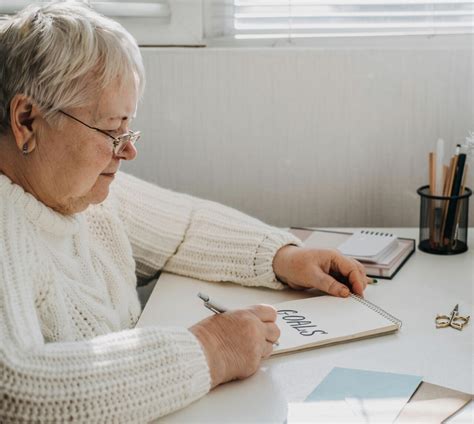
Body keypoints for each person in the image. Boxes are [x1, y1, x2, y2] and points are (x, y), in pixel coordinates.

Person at [0, 2, 369, 422]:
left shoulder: (72, 192)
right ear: (27, 120)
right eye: (110, 130)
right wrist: (212, 350)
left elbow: (184, 228)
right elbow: (14, 391)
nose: (129, 150)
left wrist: (283, 258)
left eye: (128, 129)